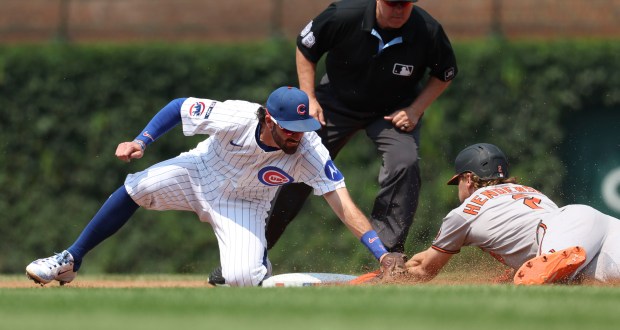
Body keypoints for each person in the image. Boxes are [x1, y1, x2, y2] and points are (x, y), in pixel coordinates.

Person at [25, 86, 406, 287]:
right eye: (290, 127)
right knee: (138, 186)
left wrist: (381, 254)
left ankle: (255, 266)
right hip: (199, 171)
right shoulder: (238, 115)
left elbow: (342, 203)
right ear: (269, 118)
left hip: (245, 202)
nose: (297, 136)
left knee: (241, 280)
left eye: (303, 128)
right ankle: (70, 259)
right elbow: (179, 106)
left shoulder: (308, 148)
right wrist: (142, 141)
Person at [210, 0, 458, 285]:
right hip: (334, 106)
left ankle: (390, 260)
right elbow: (306, 47)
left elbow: (446, 72)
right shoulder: (344, 14)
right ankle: (248, 256)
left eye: (405, 3)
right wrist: (310, 97)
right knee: (292, 173)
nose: (398, 9)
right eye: (392, 3)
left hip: (392, 112)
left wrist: (416, 109)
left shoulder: (426, 29)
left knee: (404, 161)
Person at [403, 143, 620, 285]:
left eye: (458, 181)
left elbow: (425, 270)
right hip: (588, 225)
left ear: (468, 178)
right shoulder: (527, 190)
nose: (458, 187)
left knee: (540, 281)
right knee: (601, 277)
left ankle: (548, 267)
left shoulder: (463, 213)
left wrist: (394, 275)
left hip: (563, 234)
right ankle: (550, 266)